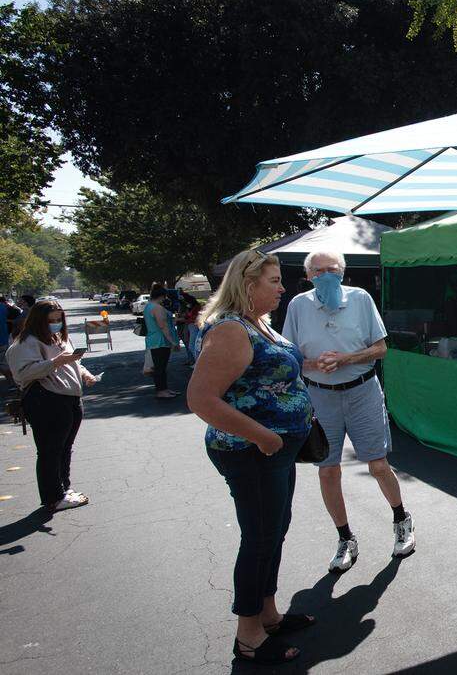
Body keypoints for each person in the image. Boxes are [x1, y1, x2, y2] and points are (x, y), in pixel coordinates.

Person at [186, 250, 314, 666]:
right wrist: (263, 437)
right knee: (259, 538)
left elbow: (268, 374)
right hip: (251, 452)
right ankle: (249, 636)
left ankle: (269, 613)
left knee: (275, 530)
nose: (282, 287)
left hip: (275, 451)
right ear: (247, 285)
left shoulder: (258, 323)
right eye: (274, 281)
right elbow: (201, 399)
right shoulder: (230, 330)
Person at [282, 250, 414, 573]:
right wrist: (313, 364)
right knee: (327, 470)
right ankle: (345, 538)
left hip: (362, 391)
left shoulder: (360, 299)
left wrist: (345, 359)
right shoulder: (298, 306)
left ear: (342, 272)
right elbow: (289, 355)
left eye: (332, 269)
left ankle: (401, 519)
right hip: (320, 396)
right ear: (308, 275)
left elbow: (381, 348)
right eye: (318, 270)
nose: (326, 275)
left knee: (378, 464)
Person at [5, 300, 99, 512]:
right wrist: (56, 362)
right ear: (39, 320)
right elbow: (23, 373)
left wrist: (85, 374)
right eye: (51, 321)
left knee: (64, 448)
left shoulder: (58, 337)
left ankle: (63, 489)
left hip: (70, 398)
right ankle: (52, 496)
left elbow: (74, 362)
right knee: (50, 450)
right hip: (46, 400)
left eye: (59, 320)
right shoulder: (26, 343)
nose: (56, 324)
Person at [145, 285, 181, 398]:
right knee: (160, 367)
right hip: (160, 341)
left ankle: (164, 389)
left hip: (154, 339)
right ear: (162, 296)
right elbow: (163, 326)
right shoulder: (157, 308)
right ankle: (161, 391)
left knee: (161, 367)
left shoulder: (149, 306)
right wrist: (172, 341)